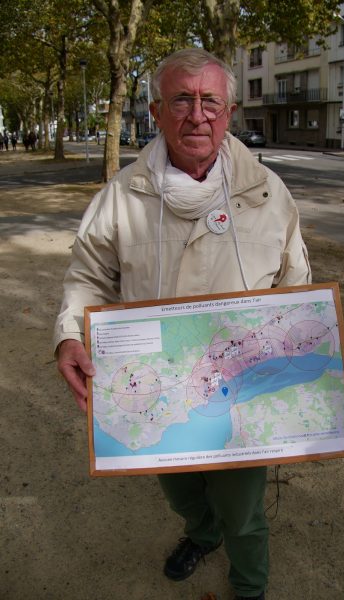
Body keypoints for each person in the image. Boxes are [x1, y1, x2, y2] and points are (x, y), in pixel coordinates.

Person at [54, 47, 311, 600]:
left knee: (243, 507)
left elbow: (296, 287)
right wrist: (70, 335)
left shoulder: (268, 194)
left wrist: (296, 351)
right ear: (154, 111)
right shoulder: (121, 197)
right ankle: (201, 532)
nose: (198, 115)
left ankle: (249, 586)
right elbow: (87, 277)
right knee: (178, 487)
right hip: (158, 385)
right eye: (182, 100)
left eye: (211, 101)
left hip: (242, 389)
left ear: (231, 111)